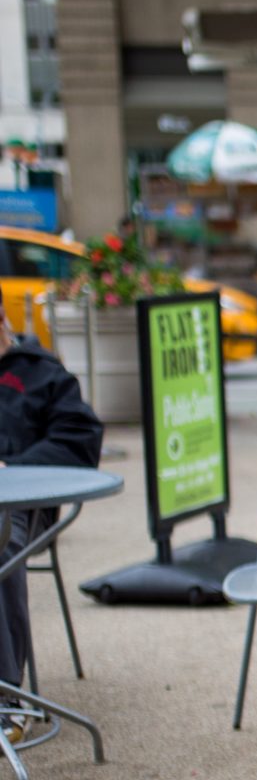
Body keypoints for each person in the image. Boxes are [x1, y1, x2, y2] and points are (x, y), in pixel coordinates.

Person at [0, 307, 104, 738]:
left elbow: (79, 444)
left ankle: (5, 698)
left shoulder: (43, 376)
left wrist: (11, 469)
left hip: (22, 509)